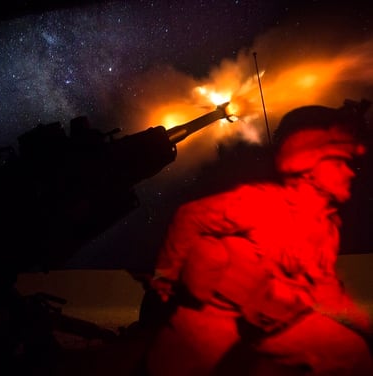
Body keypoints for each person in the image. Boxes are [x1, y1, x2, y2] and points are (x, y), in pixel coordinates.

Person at [143, 100, 373, 376]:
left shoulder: (326, 227)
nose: (350, 172)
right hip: (216, 325)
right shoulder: (260, 203)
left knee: (353, 354)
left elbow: (326, 291)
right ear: (310, 165)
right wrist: (166, 276)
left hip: (275, 327)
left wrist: (366, 328)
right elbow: (190, 216)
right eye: (340, 163)